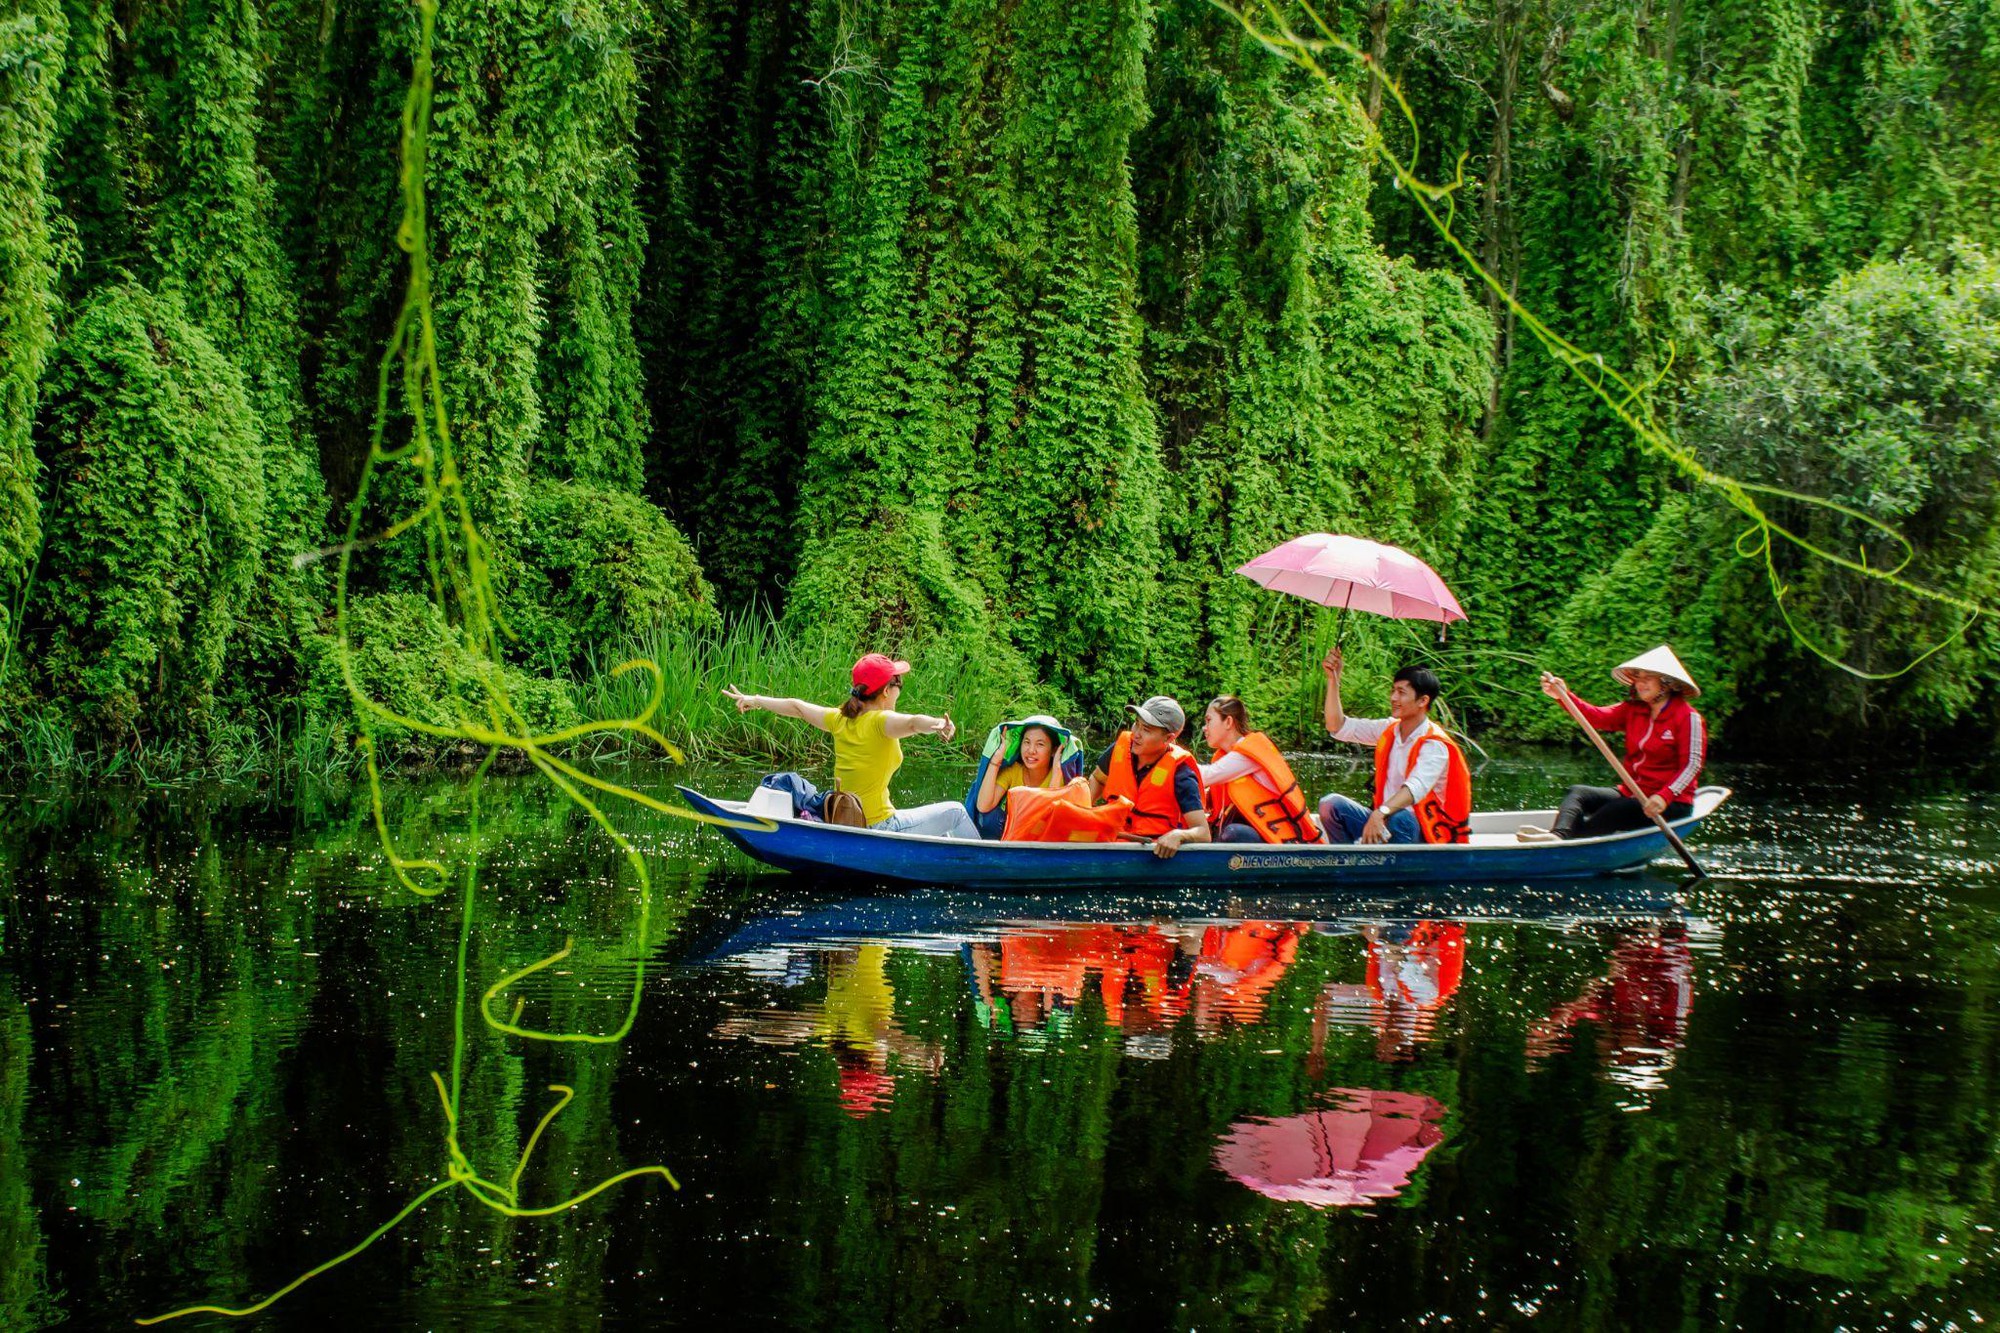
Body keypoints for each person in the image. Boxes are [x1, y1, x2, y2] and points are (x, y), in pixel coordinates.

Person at [722, 653, 979, 838]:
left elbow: (796, 707)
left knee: (938, 827)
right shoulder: (881, 721)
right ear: (887, 691)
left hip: (846, 820)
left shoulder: (839, 719)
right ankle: (984, 864)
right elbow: (912, 723)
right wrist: (938, 724)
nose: (900, 690)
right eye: (898, 684)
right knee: (955, 812)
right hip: (879, 825)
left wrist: (752, 699)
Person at [1523, 645, 1706, 842]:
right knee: (1579, 792)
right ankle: (1559, 835)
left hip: (1671, 802)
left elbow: (1692, 765)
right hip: (1633, 792)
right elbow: (1597, 717)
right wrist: (1564, 696)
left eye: (1647, 679)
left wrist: (1664, 796)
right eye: (1638, 678)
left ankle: (1571, 843)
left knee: (1616, 810)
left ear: (1666, 683)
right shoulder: (1633, 710)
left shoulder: (1688, 718)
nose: (1640, 684)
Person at [1316, 649, 1472, 845]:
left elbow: (1415, 788)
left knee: (1400, 818)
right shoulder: (1388, 729)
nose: (1393, 698)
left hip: (1421, 833)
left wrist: (1380, 812)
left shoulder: (1435, 745)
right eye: (1393, 691)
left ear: (1423, 701)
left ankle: (1395, 869)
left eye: (1401, 693)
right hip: (1385, 820)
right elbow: (1337, 726)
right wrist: (1333, 680)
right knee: (1330, 804)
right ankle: (1348, 862)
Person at [1086, 696, 1212, 859]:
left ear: (1168, 739)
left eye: (1146, 730)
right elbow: (1097, 778)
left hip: (1151, 851)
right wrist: (1084, 812)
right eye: (1136, 724)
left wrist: (1178, 835)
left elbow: (1203, 833)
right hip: (1112, 840)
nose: (1136, 734)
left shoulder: (1181, 772)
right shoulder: (1120, 748)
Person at [1198, 696, 1324, 844]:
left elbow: (1204, 776)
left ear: (1228, 722)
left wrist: (1174, 756)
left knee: (1233, 832)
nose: (1204, 727)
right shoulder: (1228, 757)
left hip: (1283, 841)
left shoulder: (1248, 754)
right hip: (1258, 832)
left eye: (1208, 720)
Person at [967, 715, 1078, 840]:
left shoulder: (1059, 776)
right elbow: (983, 807)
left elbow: (1052, 822)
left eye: (1040, 744)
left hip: (1043, 839)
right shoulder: (1013, 771)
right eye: (1026, 742)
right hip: (1013, 835)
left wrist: (1057, 773)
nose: (1031, 750)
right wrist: (995, 762)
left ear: (1054, 750)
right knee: (986, 817)